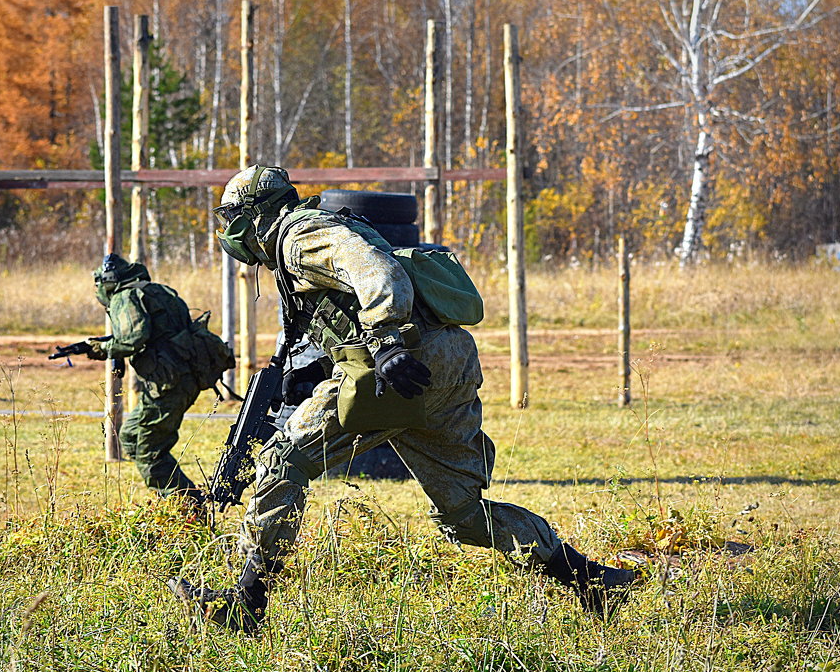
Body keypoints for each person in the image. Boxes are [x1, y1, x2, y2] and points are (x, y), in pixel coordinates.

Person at [172, 166, 637, 633]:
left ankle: (246, 604)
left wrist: (386, 340)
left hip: (399, 367)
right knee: (465, 515)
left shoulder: (298, 238)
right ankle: (592, 579)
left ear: (257, 215)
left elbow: (376, 269)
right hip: (447, 364)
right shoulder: (320, 227)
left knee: (283, 461)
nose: (228, 230)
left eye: (232, 217)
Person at [82, 253, 229, 511]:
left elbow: (133, 338)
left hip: (169, 384)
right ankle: (180, 501)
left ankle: (189, 510)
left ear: (107, 283)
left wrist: (102, 349)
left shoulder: (124, 297)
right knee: (130, 435)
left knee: (149, 449)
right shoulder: (156, 290)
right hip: (182, 379)